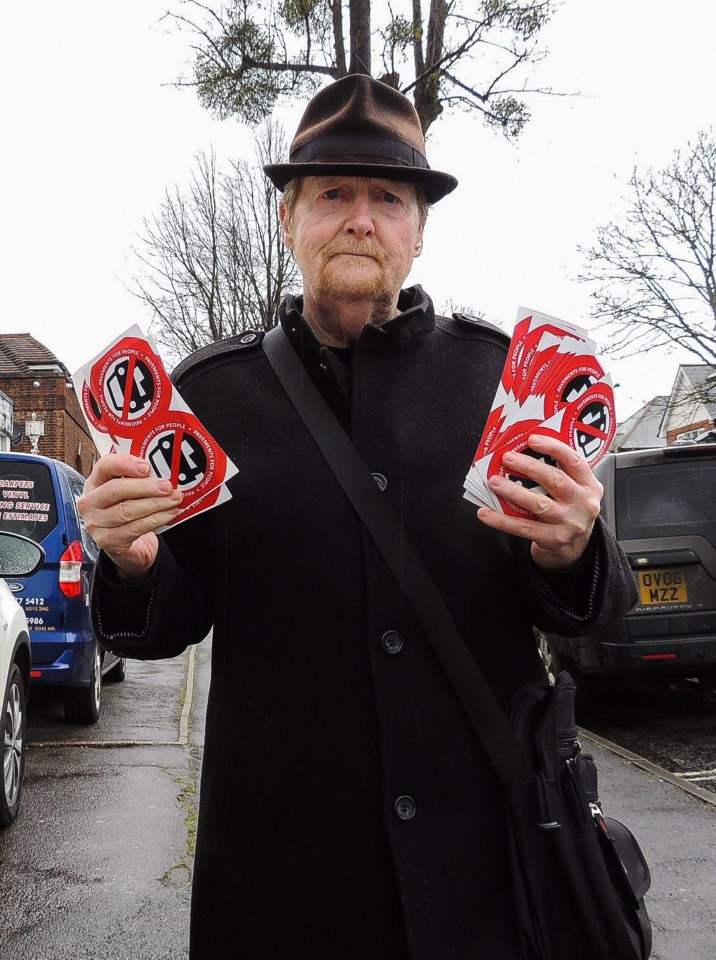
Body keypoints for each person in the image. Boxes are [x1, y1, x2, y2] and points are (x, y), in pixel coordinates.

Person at [79, 75, 637, 960]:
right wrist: (131, 564)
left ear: (419, 229)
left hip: (486, 879)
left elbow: (592, 608)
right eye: (333, 193)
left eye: (388, 197)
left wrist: (573, 550)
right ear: (288, 219)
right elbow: (164, 627)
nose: (361, 218)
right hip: (281, 884)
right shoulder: (208, 398)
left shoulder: (502, 385)